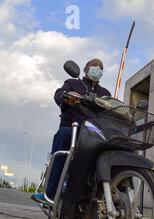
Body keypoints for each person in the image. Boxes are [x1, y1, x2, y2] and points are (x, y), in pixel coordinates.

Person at [32, 59, 111, 203]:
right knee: (64, 135)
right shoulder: (73, 83)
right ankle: (49, 193)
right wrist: (66, 96)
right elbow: (58, 94)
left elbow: (112, 108)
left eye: (100, 68)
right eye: (94, 67)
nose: (97, 69)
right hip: (73, 129)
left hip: (95, 135)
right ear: (85, 69)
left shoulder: (105, 93)